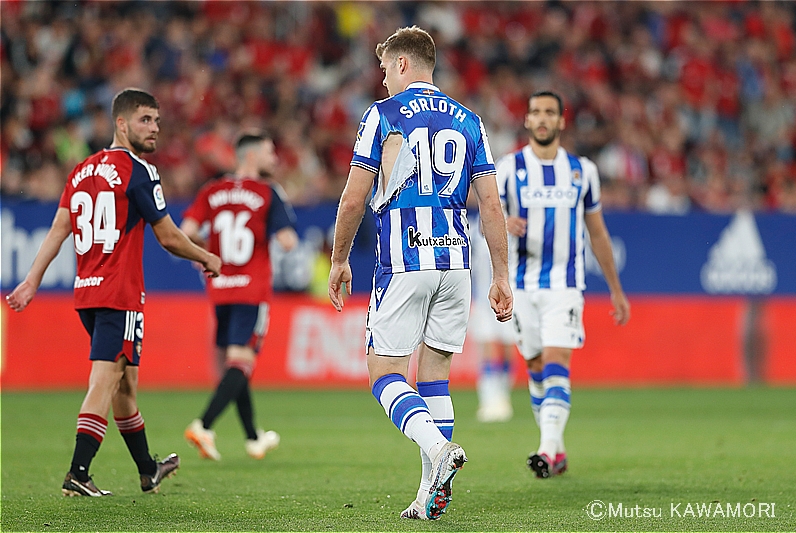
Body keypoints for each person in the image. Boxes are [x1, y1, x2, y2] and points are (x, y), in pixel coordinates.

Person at [327, 26, 513, 521]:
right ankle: (430, 493)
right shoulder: (470, 121)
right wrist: (501, 275)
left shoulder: (382, 116)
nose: (383, 78)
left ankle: (438, 450)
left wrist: (340, 258)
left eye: (386, 68)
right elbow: (490, 204)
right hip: (456, 262)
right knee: (435, 378)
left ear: (404, 64)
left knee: (384, 374)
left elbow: (353, 197)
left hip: (404, 261)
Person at [5, 88, 222, 497]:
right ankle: (78, 472)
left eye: (157, 121)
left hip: (87, 293)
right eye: (145, 120)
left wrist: (33, 279)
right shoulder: (138, 171)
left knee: (125, 384)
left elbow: (59, 229)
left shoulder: (83, 170)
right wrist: (206, 257)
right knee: (105, 380)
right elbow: (170, 237)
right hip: (119, 294)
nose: (154, 128)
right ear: (120, 124)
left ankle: (147, 470)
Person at [495, 90, 631, 478]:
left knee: (556, 361)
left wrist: (616, 290)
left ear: (561, 121)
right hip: (520, 286)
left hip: (564, 286)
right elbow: (487, 215)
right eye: (535, 112)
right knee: (535, 365)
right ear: (527, 120)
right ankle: (556, 448)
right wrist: (504, 224)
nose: (542, 118)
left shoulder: (581, 171)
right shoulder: (508, 168)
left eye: (549, 113)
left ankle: (546, 448)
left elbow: (598, 234)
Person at [181, 132, 298, 461]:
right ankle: (203, 425)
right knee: (241, 364)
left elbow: (187, 231)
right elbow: (288, 241)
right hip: (252, 289)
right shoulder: (267, 192)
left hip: (220, 288)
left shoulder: (212, 190)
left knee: (235, 364)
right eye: (269, 151)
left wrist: (204, 255)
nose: (274, 158)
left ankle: (252, 437)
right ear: (250, 157)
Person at [469, 218, 517, 423]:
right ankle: (488, 400)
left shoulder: (514, 233)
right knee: (486, 347)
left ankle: (503, 398)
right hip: (483, 300)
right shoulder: (476, 230)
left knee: (507, 348)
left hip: (511, 298)